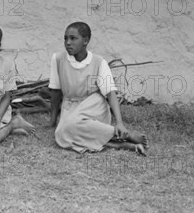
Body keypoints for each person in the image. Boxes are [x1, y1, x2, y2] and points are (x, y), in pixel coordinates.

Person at [48, 22, 149, 155]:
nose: (68, 42)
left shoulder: (98, 62)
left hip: (94, 105)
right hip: (70, 105)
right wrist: (53, 120)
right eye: (65, 38)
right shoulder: (58, 59)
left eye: (73, 38)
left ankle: (123, 133)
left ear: (85, 40)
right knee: (62, 134)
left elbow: (110, 93)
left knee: (69, 129)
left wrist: (120, 123)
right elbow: (56, 92)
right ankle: (120, 144)